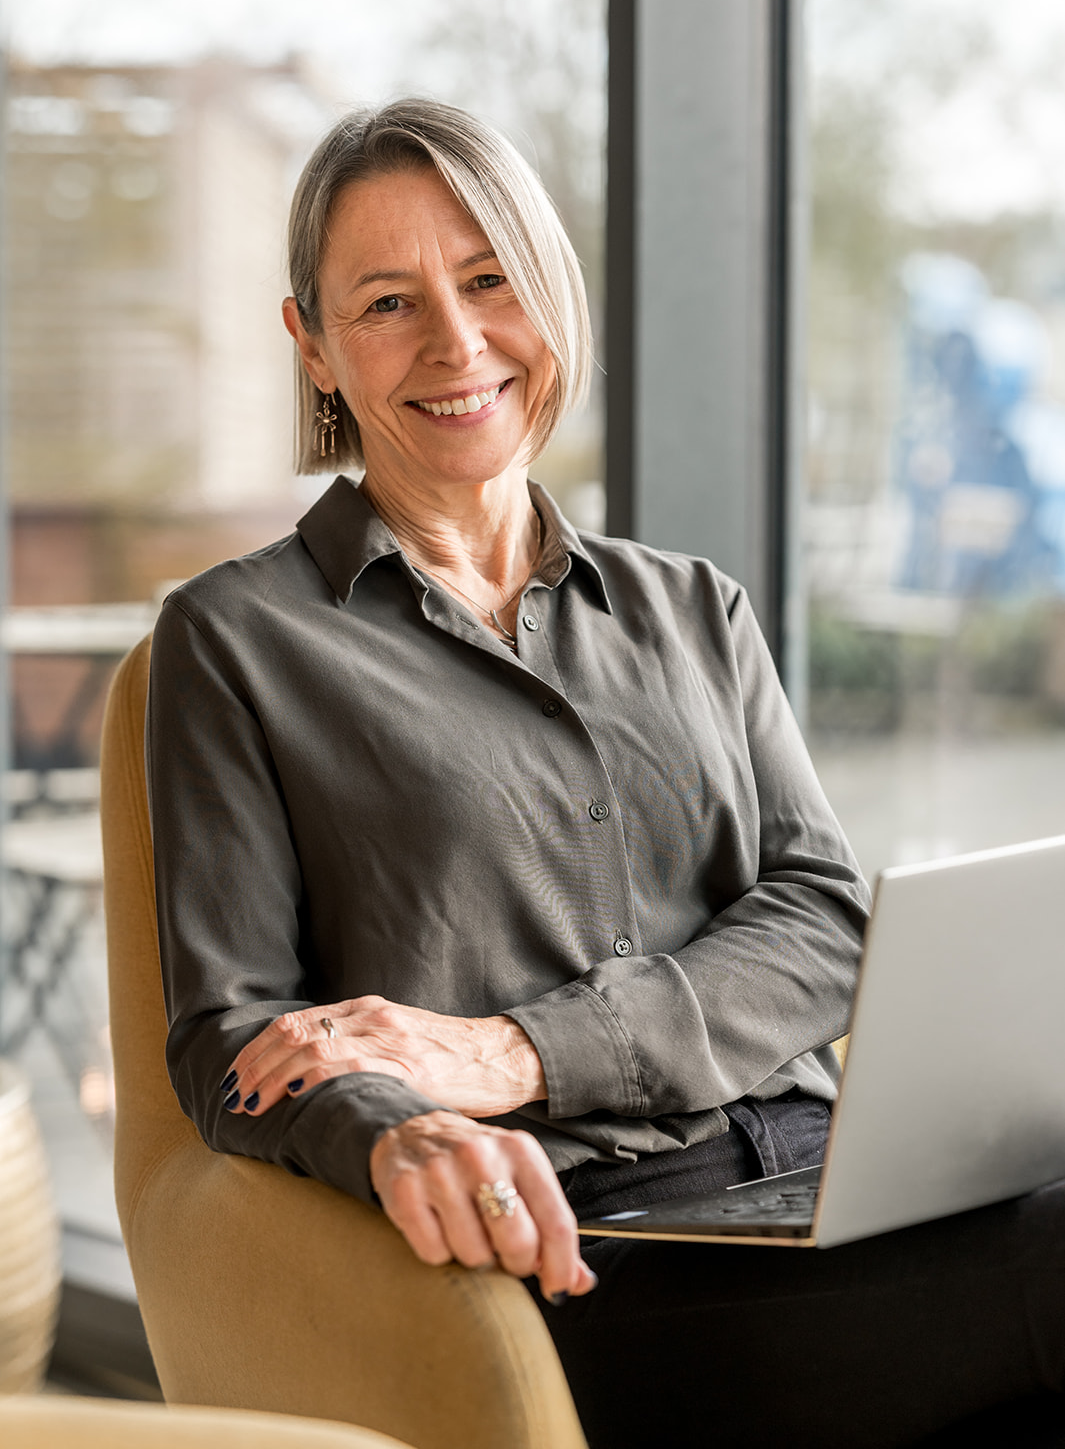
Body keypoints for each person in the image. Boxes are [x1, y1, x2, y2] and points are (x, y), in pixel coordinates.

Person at [148, 99, 1065, 1449]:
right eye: (388, 302)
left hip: (831, 1187)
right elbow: (232, 1041)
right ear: (316, 345)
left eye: (488, 280)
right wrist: (397, 1127)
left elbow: (821, 924)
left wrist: (510, 1050)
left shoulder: (693, 607)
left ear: (550, 295)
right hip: (587, 1256)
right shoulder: (236, 639)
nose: (457, 344)